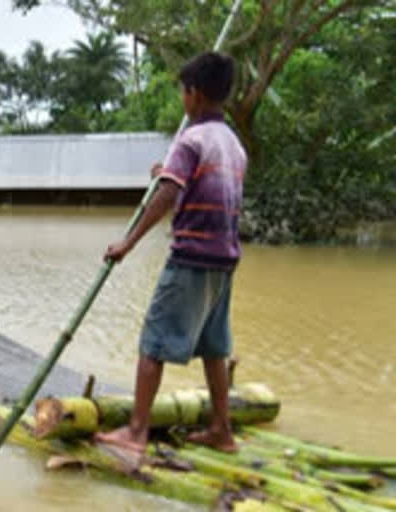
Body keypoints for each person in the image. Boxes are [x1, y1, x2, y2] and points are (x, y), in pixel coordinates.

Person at [95, 52, 247, 454]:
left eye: (183, 91)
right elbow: (193, 185)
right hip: (224, 260)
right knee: (214, 348)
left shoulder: (191, 140)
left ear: (194, 94)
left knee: (153, 342)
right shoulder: (232, 143)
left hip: (191, 257)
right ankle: (222, 430)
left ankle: (137, 432)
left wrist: (127, 243)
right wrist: (168, 170)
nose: (183, 98)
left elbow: (169, 193)